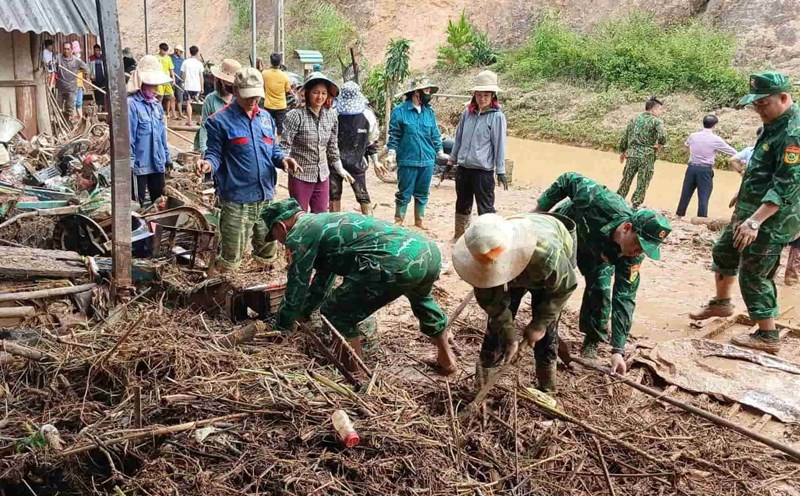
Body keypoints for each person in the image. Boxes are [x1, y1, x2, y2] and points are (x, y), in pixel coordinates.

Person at [262, 198, 458, 375]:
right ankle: (447, 360)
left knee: (336, 314)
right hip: (428, 252)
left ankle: (357, 376)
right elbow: (323, 279)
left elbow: (297, 285)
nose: (279, 242)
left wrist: (282, 327)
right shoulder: (323, 222)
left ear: (281, 226)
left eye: (274, 236)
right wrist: (304, 313)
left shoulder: (298, 235)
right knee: (421, 299)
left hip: (393, 262)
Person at [689, 71, 800, 354]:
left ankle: (767, 336)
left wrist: (755, 221)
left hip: (772, 219)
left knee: (754, 272)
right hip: (752, 208)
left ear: (784, 98)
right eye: (755, 105)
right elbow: (763, 166)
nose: (758, 110)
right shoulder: (773, 123)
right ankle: (722, 303)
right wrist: (745, 189)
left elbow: (786, 184)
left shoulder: (793, 134)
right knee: (724, 251)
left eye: (763, 104)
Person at [536, 172, 672, 374]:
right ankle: (541, 328)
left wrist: (618, 350)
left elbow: (625, 298)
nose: (638, 252)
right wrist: (540, 210)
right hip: (567, 232)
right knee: (550, 281)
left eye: (644, 250)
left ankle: (591, 341)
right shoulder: (600, 201)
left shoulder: (632, 256)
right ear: (627, 228)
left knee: (600, 289)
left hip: (600, 253)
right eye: (638, 244)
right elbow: (568, 179)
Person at [452, 213, 577, 392]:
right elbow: (495, 306)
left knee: (548, 332)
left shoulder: (546, 253)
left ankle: (547, 386)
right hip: (519, 260)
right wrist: (509, 336)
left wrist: (539, 325)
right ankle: (483, 386)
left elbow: (564, 288)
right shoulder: (479, 257)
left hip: (546, 263)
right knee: (496, 330)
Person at [195, 68, 299, 273]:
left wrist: (284, 160)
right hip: (236, 199)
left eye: (256, 96)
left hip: (266, 197)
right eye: (248, 96)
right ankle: (226, 295)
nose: (253, 100)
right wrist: (207, 164)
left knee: (267, 251)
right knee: (230, 257)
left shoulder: (266, 118)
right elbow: (214, 153)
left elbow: (273, 150)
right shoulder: (219, 120)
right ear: (235, 91)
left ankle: (262, 286)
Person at [449, 70, 508, 240]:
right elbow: (458, 139)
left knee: (486, 208)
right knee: (462, 204)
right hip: (464, 169)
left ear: (493, 96)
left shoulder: (497, 117)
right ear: (474, 95)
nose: (482, 98)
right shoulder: (467, 113)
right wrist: (451, 161)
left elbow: (499, 146)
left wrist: (501, 170)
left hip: (483, 172)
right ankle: (459, 236)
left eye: (486, 95)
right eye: (479, 94)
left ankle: (486, 240)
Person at [281, 72, 349, 213]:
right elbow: (285, 145)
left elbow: (332, 145)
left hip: (322, 175)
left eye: (324, 93)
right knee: (299, 216)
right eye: (316, 92)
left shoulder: (331, 116)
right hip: (300, 175)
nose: (320, 97)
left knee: (320, 217)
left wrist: (339, 168)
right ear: (307, 93)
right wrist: (280, 165)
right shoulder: (295, 116)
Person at [386, 77, 447, 227]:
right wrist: (391, 153)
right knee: (404, 193)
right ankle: (399, 220)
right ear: (416, 92)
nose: (428, 94)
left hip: (427, 160)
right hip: (407, 159)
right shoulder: (400, 111)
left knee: (422, 194)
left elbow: (435, 134)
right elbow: (394, 135)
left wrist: (440, 152)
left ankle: (419, 222)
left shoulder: (429, 113)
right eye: (426, 91)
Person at [331, 81, 384, 214]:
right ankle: (368, 225)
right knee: (361, 195)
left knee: (334, 194)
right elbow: (371, 140)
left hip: (337, 160)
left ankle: (333, 224)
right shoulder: (368, 115)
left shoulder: (333, 113)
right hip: (354, 161)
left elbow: (370, 141)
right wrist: (375, 161)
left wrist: (376, 161)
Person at [127, 55, 173, 206]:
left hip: (157, 163)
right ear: (142, 84)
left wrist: (167, 157)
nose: (156, 90)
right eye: (153, 86)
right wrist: (130, 164)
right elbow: (129, 139)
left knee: (159, 204)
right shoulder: (132, 105)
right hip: (139, 165)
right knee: (137, 206)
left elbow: (162, 136)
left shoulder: (157, 106)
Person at [675, 115, 737, 219]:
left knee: (686, 192)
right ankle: (701, 218)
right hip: (704, 169)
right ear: (714, 126)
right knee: (704, 195)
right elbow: (732, 152)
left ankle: (679, 215)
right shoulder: (716, 140)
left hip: (691, 167)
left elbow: (686, 145)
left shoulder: (693, 135)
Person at [617, 98, 667, 209]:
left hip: (632, 154)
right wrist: (660, 145)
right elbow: (663, 135)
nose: (661, 112)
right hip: (646, 155)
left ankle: (618, 200)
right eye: (660, 109)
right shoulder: (656, 121)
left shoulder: (634, 119)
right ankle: (635, 204)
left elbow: (625, 136)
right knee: (643, 180)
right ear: (654, 109)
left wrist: (622, 151)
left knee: (626, 179)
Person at [193, 58, 241, 156]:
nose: (229, 86)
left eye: (232, 84)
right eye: (227, 83)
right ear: (221, 80)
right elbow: (204, 125)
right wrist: (203, 149)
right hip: (215, 146)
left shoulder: (240, 100)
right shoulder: (211, 99)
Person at [54, 41, 89, 122]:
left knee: (70, 109)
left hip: (71, 89)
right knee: (58, 108)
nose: (66, 51)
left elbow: (87, 69)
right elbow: (51, 64)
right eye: (64, 49)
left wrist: (86, 77)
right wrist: (51, 64)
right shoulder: (58, 58)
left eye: (68, 49)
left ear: (71, 50)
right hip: (60, 88)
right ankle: (58, 125)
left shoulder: (76, 60)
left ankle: (69, 125)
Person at [262, 53, 291, 135]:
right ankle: (279, 144)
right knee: (280, 127)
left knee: (268, 126)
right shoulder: (285, 76)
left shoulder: (264, 74)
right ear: (280, 62)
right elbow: (288, 89)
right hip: (281, 105)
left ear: (271, 62)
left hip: (268, 105)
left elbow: (262, 85)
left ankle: (269, 142)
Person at [181, 45, 205, 126]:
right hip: (197, 86)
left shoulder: (185, 62)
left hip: (188, 86)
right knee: (197, 103)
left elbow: (183, 75)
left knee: (188, 103)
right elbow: (201, 76)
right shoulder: (199, 64)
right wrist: (202, 87)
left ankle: (190, 121)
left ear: (190, 52)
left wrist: (183, 83)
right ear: (197, 52)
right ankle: (200, 120)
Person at [155, 43, 176, 117]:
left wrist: (173, 79)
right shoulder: (156, 58)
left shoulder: (168, 58)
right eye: (164, 51)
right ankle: (159, 113)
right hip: (159, 80)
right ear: (160, 49)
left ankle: (174, 114)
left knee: (172, 97)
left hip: (167, 80)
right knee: (160, 97)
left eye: (166, 51)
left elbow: (171, 69)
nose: (165, 52)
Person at [170, 44, 186, 120]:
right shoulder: (170, 58)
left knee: (180, 98)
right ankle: (173, 114)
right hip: (170, 80)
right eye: (180, 51)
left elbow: (183, 71)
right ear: (176, 50)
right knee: (172, 97)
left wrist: (183, 79)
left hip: (179, 80)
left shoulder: (182, 60)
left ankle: (180, 113)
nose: (181, 53)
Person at [89, 44, 107, 111]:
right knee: (96, 93)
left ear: (100, 50)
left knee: (103, 92)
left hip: (103, 78)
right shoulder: (91, 58)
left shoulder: (103, 58)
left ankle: (104, 106)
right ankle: (98, 106)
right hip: (95, 79)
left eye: (97, 50)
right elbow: (89, 68)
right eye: (95, 50)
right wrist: (90, 76)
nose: (96, 51)